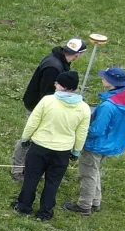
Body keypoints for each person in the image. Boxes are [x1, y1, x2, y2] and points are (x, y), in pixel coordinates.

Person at [66, 67, 125, 216]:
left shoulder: (107, 106)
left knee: (88, 173)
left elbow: (96, 130)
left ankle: (84, 205)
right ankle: (95, 201)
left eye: (105, 77)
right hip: (116, 142)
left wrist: (80, 132)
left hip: (96, 144)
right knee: (95, 170)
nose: (102, 78)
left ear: (111, 82)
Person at [13, 70, 89, 221]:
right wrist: (76, 151)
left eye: (57, 83)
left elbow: (33, 122)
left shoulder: (48, 101)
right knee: (53, 182)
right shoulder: (84, 108)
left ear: (64, 86)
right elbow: (81, 133)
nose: (55, 84)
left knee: (31, 178)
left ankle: (24, 206)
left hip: (39, 147)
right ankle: (45, 213)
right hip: (62, 151)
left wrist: (25, 138)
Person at [14, 37, 84, 179]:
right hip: (38, 107)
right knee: (29, 137)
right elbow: (46, 93)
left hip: (43, 104)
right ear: (77, 55)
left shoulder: (59, 60)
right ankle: (17, 168)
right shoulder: (54, 67)